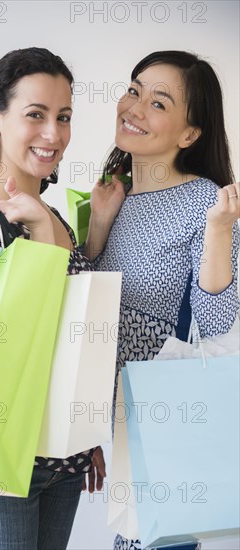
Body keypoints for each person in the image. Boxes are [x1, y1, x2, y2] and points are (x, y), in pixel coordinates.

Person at [0, 47, 105, 550]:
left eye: (64, 117)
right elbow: (8, 341)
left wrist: (85, 429)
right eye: (35, 115)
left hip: (61, 460)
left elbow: (72, 332)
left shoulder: (51, 215)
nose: (53, 134)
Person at [84, 50, 240, 550]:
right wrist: (100, 226)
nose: (134, 107)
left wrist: (219, 232)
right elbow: (85, 303)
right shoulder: (114, 195)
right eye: (134, 90)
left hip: (160, 410)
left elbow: (215, 322)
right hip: (112, 410)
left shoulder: (204, 201)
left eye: (158, 102)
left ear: (190, 133)